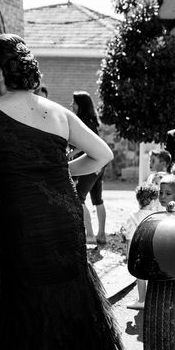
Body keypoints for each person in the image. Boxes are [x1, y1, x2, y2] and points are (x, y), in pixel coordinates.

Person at [0, 33, 143, 350]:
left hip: (20, 222)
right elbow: (102, 155)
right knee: (71, 296)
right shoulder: (57, 111)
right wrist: (56, 170)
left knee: (25, 299)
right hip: (64, 217)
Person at [72, 91, 107, 245]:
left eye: (74, 103)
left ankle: (90, 235)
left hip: (92, 164)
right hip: (99, 165)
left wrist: (71, 153)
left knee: (78, 197)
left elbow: (86, 144)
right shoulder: (91, 121)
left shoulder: (83, 122)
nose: (71, 105)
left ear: (81, 105)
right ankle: (101, 235)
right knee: (97, 200)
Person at [121, 182, 159, 309]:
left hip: (139, 252)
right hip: (155, 250)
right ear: (153, 201)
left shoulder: (133, 216)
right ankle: (154, 299)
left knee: (140, 277)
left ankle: (142, 300)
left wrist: (128, 254)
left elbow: (129, 237)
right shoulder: (156, 216)